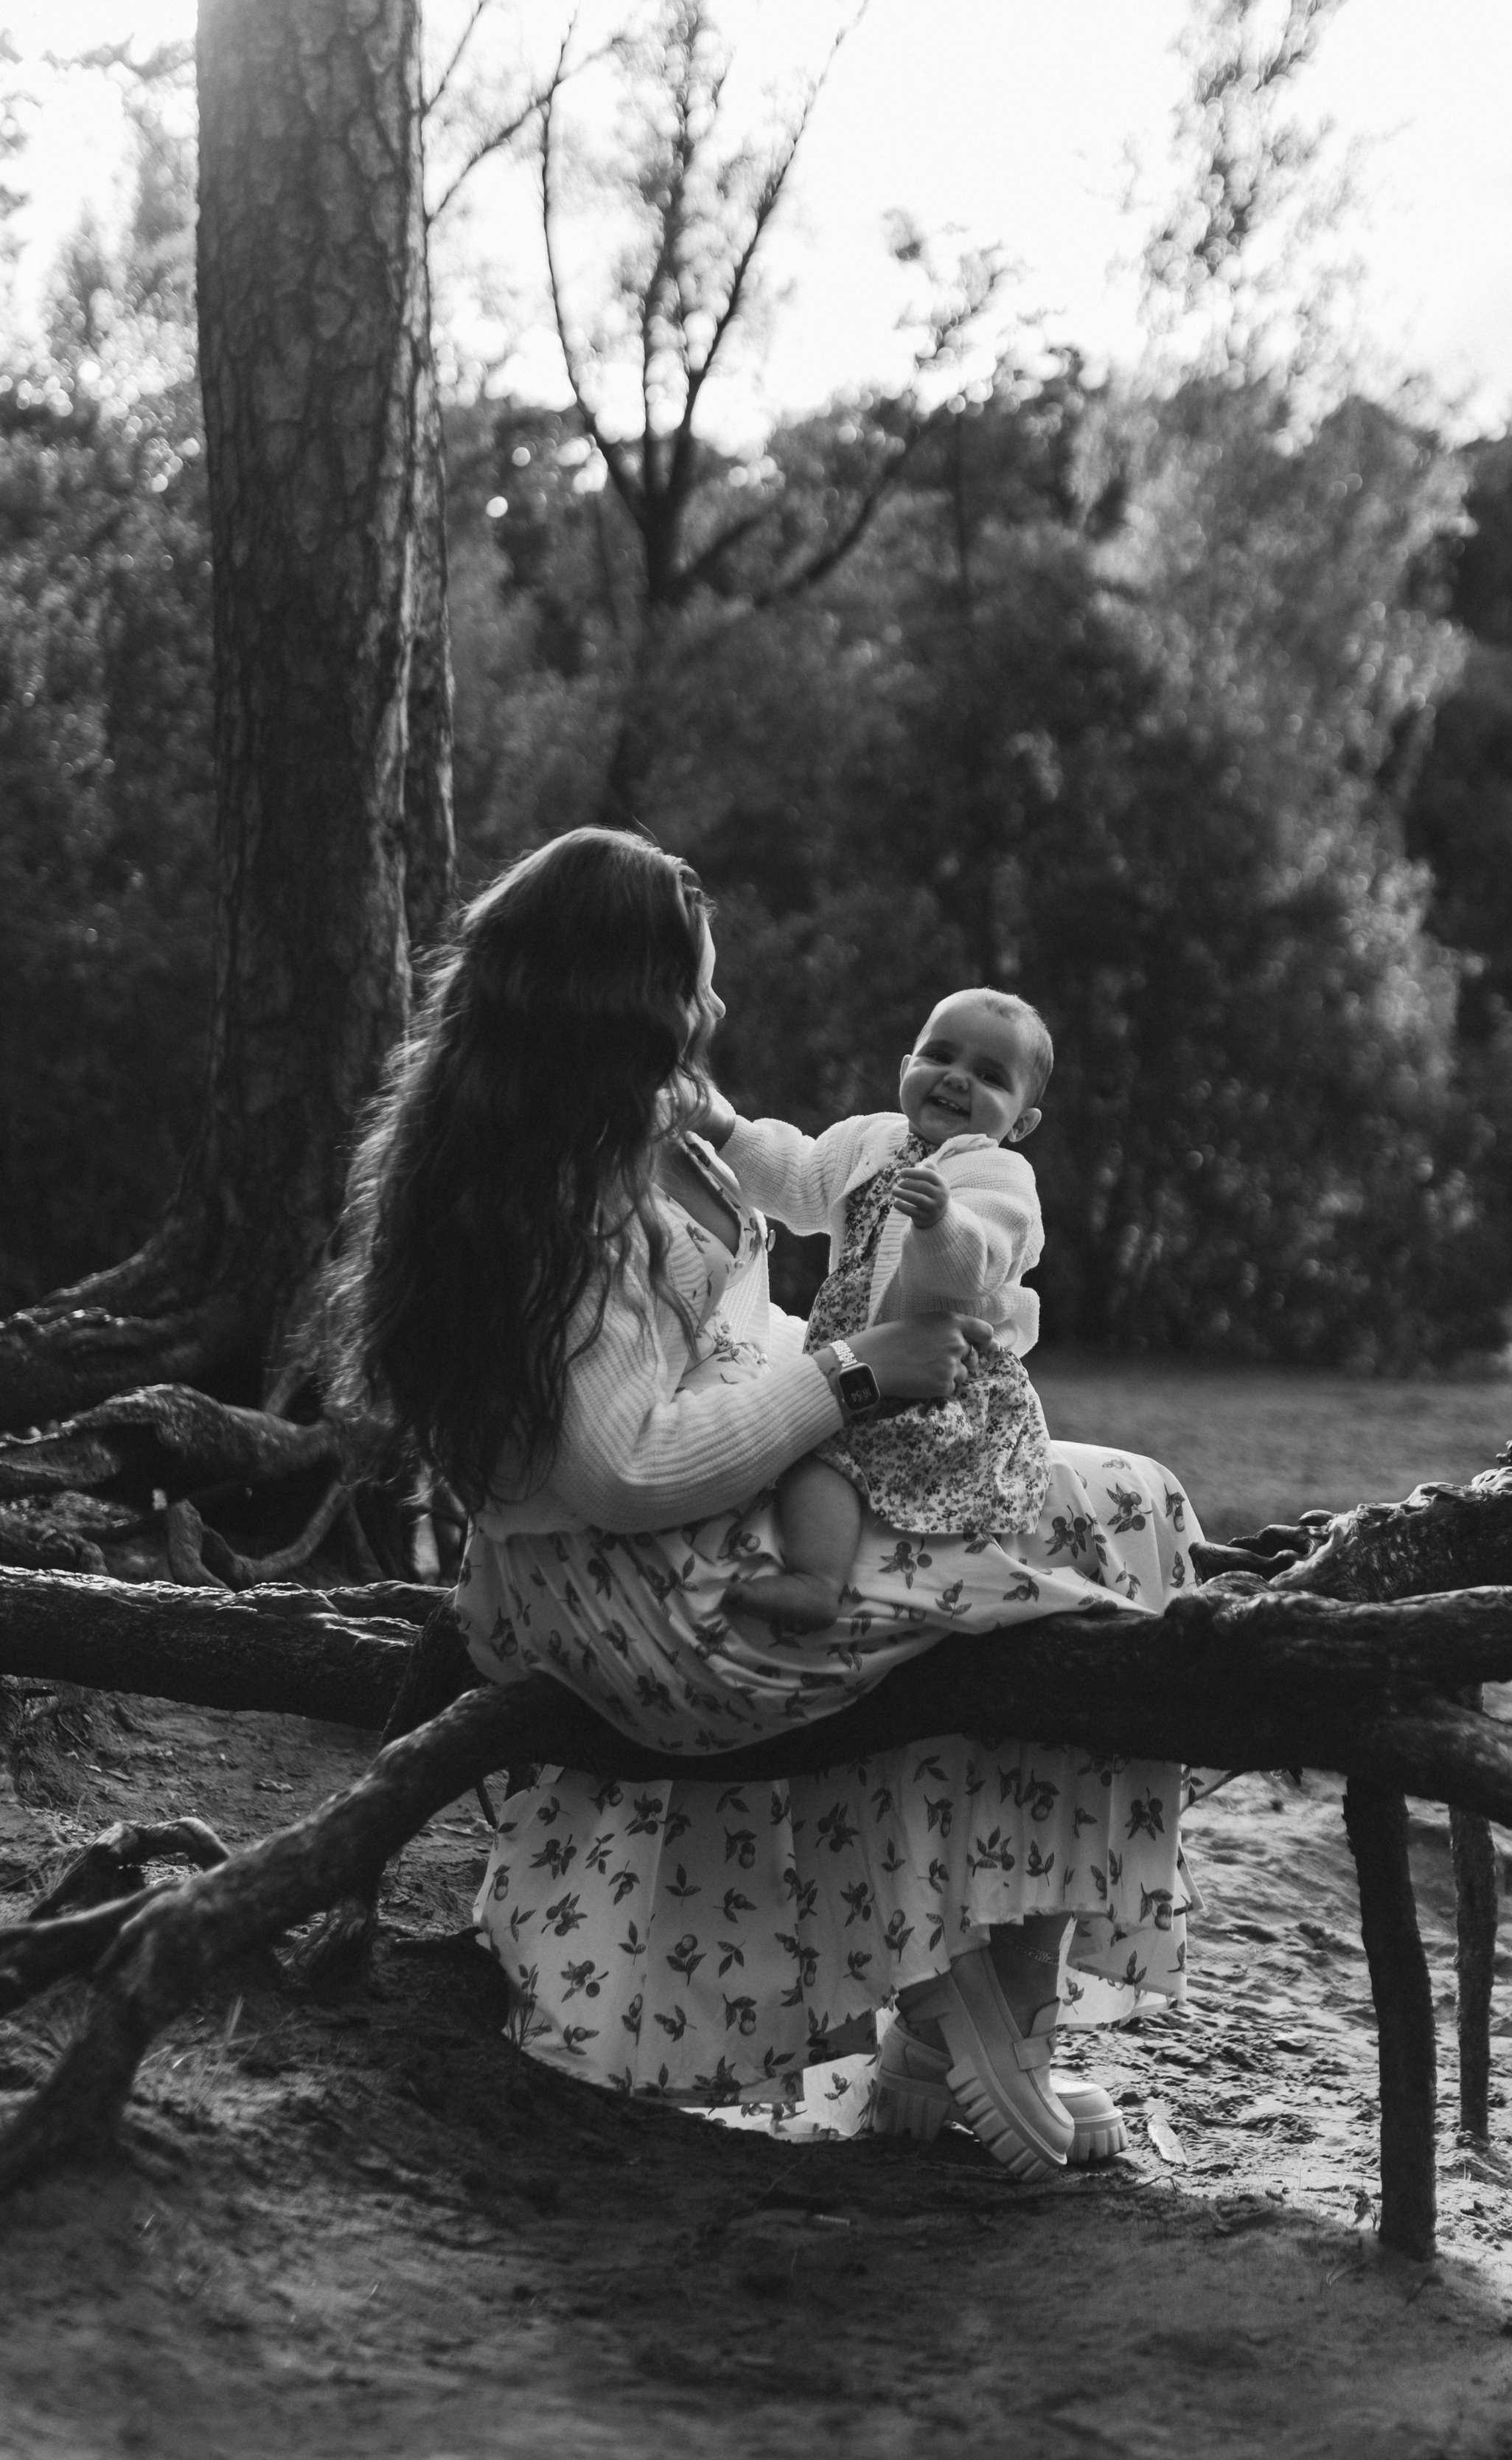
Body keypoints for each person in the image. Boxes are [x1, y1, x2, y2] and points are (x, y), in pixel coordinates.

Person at [332, 827, 1205, 2183]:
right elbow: (625, 1468)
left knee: (1093, 1504)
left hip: (722, 1519)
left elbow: (741, 1313)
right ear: (619, 996)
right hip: (668, 1593)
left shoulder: (619, 1130)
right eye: (695, 984)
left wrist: (857, 1366)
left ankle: (943, 2018)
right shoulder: (575, 1197)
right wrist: (852, 1380)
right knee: (1118, 1526)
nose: (715, 1010)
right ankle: (990, 2005)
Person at [684, 985, 1056, 1631]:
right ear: (906, 1069)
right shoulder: (870, 1140)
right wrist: (727, 1130)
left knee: (821, 1454)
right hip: (863, 1355)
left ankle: (817, 1582)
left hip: (940, 1377)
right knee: (809, 1433)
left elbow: (980, 1265)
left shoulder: (1000, 1178)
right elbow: (798, 1178)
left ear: (1020, 1122)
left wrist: (942, 1221)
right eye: (940, 1055)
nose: (957, 1079)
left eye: (990, 1075)